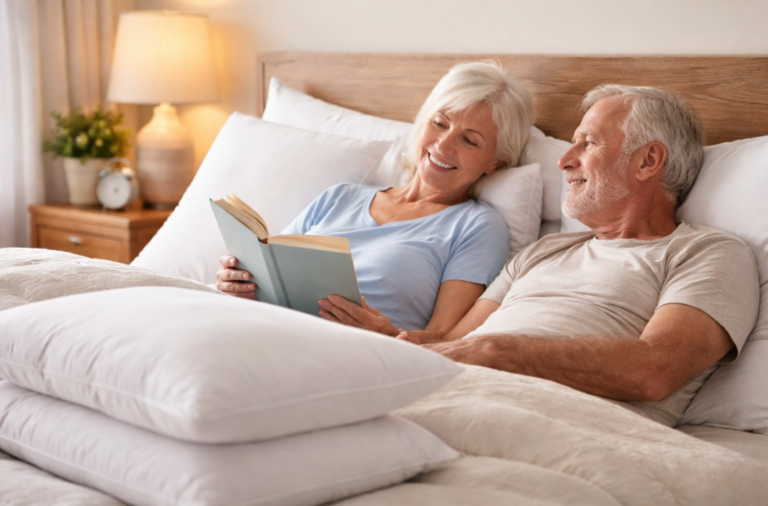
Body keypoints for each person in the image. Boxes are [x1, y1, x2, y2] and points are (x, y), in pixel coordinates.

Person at [337, 84, 759, 426]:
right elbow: (454, 342)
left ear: (648, 160)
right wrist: (392, 337)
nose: (564, 160)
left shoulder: (707, 253)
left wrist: (497, 354)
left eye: (587, 144)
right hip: (457, 396)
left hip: (555, 421)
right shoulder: (544, 251)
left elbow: (654, 370)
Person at [216, 61, 535, 335]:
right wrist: (241, 281)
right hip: (264, 325)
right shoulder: (340, 196)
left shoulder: (477, 226)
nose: (443, 145)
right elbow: (274, 271)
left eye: (469, 140)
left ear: (496, 162)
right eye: (439, 123)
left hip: (350, 351)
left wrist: (391, 335)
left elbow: (446, 337)